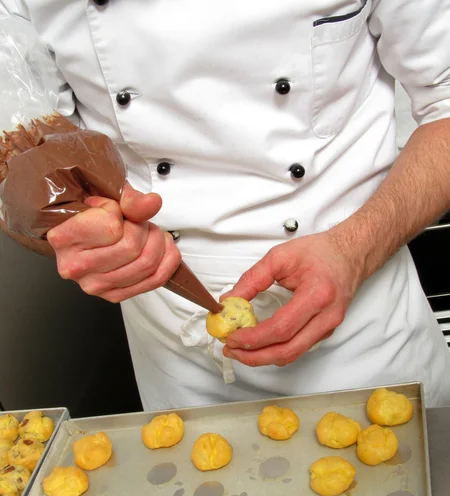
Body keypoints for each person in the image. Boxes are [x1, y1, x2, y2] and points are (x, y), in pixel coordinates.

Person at [1, 0, 450, 410]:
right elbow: (23, 165)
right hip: (174, 349)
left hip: (365, 334)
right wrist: (81, 238)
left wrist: (356, 249)